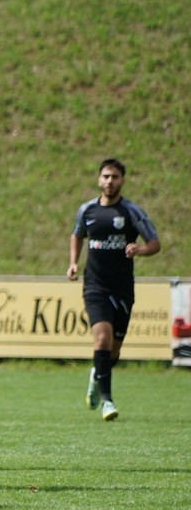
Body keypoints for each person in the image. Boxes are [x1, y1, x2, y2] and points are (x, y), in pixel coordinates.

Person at [67, 158, 160, 422]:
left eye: (115, 177)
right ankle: (107, 401)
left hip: (122, 289)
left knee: (114, 351)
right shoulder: (87, 210)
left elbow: (155, 243)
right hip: (95, 286)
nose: (110, 181)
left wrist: (140, 249)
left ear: (122, 180)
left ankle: (97, 374)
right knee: (102, 340)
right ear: (99, 179)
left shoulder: (131, 212)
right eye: (106, 176)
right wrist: (73, 262)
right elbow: (77, 234)